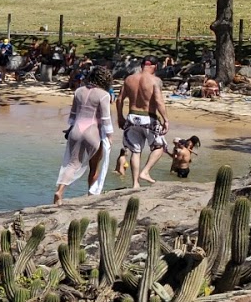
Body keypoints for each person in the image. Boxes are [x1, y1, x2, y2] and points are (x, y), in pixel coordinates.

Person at [54, 66, 116, 204]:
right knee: (94, 167)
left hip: (76, 130)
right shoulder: (104, 95)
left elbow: (73, 114)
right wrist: (110, 136)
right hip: (93, 132)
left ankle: (60, 191)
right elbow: (106, 118)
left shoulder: (78, 91)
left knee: (71, 164)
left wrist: (70, 128)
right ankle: (91, 195)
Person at [117, 56, 169, 188]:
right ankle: (145, 172)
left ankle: (135, 184)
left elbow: (119, 100)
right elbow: (158, 102)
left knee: (135, 151)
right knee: (159, 147)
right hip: (148, 117)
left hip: (132, 117)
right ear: (155, 66)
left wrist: (120, 117)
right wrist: (165, 120)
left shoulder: (129, 79)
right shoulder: (155, 80)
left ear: (142, 65)